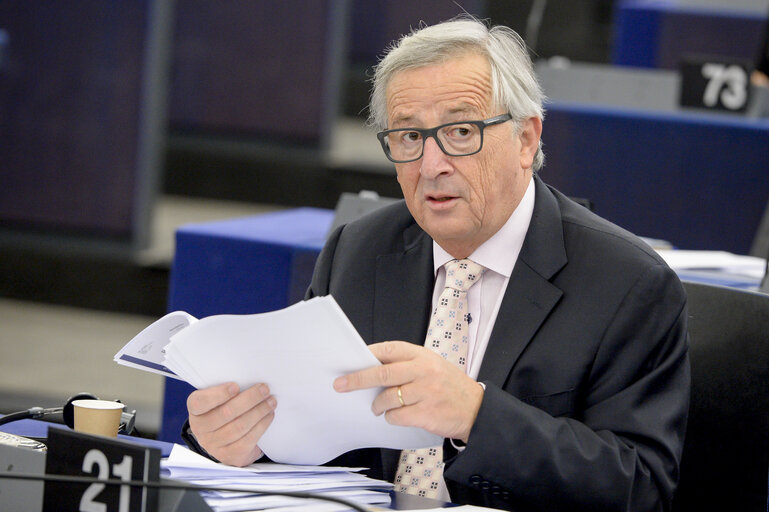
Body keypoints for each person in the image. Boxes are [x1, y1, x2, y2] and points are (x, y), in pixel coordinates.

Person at [183, 17, 690, 511]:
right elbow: (304, 418)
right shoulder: (358, 251)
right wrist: (236, 438)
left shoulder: (628, 283)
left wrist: (475, 413)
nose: (431, 165)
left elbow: (639, 487)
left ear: (526, 139)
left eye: (462, 131)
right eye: (408, 137)